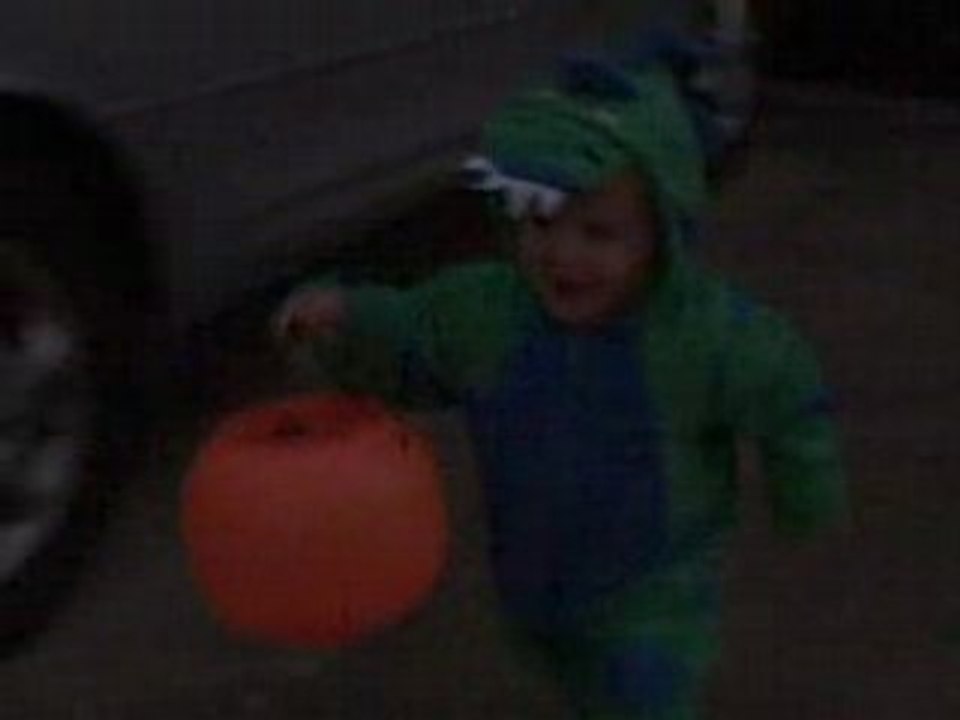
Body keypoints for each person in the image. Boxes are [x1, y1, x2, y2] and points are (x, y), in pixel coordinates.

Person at [272, 34, 847, 720]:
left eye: (598, 234)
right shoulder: (487, 312)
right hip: (534, 583)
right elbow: (414, 340)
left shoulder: (704, 335)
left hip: (656, 591)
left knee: (639, 697)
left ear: (662, 235)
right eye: (541, 223)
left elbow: (788, 391)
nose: (561, 255)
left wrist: (805, 486)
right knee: (568, 676)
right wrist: (348, 321)